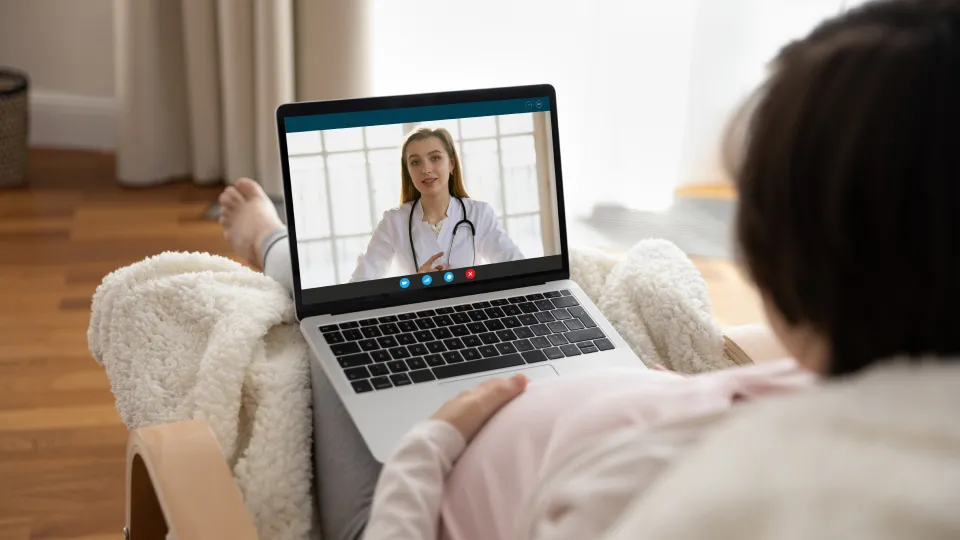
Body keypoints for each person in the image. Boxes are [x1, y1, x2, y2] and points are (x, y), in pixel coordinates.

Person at [218, 1, 960, 538]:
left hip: (440, 479)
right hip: (575, 409)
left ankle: (272, 248)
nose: (427, 167)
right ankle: (279, 249)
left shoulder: (703, 506)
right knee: (343, 309)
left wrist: (432, 443)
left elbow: (514, 266)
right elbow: (360, 272)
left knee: (316, 322)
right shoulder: (857, 385)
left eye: (434, 156)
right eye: (415, 162)